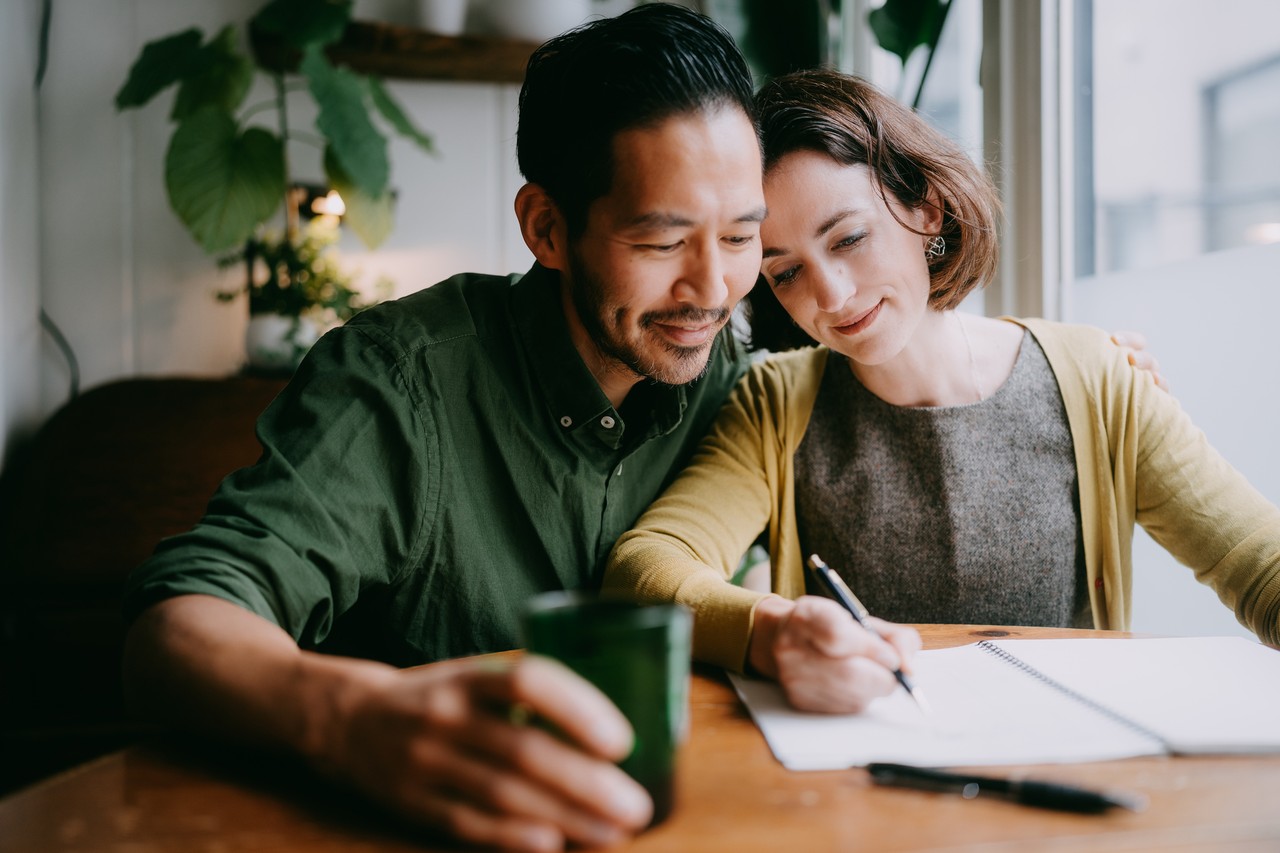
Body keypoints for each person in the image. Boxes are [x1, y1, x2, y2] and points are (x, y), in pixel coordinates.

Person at [120, 5, 765, 851]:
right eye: (662, 241)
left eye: (743, 235)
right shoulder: (400, 380)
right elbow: (175, 627)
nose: (713, 287)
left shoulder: (729, 375)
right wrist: (353, 718)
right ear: (546, 227)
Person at [604, 69, 1280, 717]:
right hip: (873, 787)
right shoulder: (775, 405)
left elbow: (1259, 564)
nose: (831, 296)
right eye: (786, 273)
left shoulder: (1098, 380)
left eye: (851, 238)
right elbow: (645, 569)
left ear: (926, 208)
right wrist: (771, 629)